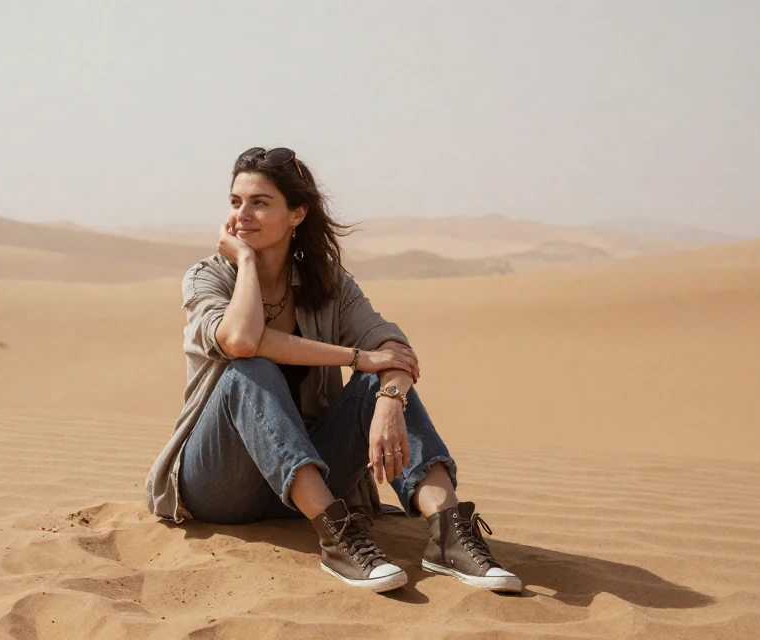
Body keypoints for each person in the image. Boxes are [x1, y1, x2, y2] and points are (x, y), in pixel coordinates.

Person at [145, 147, 520, 594]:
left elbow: (395, 351)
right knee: (250, 370)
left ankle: (447, 535)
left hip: (306, 478)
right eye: (235, 202)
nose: (242, 214)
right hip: (221, 485)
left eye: (260, 202)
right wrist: (246, 261)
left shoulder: (329, 284)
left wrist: (389, 399)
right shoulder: (208, 277)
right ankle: (340, 539)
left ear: (297, 214)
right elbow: (242, 341)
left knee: (377, 386)